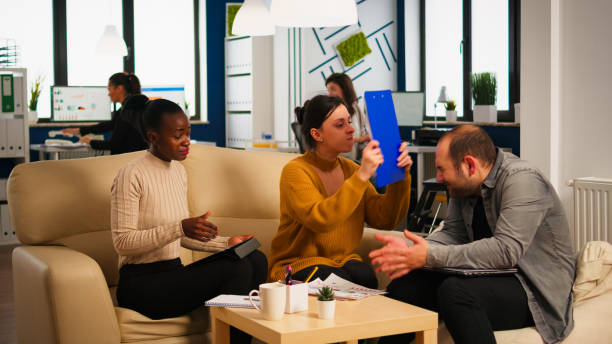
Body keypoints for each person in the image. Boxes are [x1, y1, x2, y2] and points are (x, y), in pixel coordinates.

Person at [371, 125, 575, 344]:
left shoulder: (522, 180)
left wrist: (428, 256)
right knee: (406, 285)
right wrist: (413, 252)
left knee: (456, 292)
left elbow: (506, 251)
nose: (438, 177)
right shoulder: (464, 186)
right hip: (491, 274)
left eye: (441, 169)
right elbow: (453, 233)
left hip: (534, 288)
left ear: (469, 164)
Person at [111, 99, 267, 344]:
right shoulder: (131, 174)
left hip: (173, 273)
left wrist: (227, 243)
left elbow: (181, 236)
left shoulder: (178, 172)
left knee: (253, 257)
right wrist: (179, 226)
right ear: (153, 137)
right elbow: (123, 243)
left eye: (188, 133)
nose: (186, 141)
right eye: (177, 135)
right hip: (140, 285)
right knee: (236, 267)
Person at [267, 95, 413, 289]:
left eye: (350, 122)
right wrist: (362, 176)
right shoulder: (296, 171)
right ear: (317, 135)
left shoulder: (350, 169)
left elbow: (385, 219)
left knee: (365, 277)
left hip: (343, 261)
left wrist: (399, 177)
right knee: (335, 280)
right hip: (299, 264)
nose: (351, 129)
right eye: (340, 125)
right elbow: (321, 219)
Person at [61, 72, 148, 155]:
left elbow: (114, 144)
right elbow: (110, 125)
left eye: (109, 90)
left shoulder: (128, 111)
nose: (109, 94)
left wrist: (90, 142)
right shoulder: (129, 108)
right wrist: (79, 131)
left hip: (127, 160)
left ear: (119, 88)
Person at [326, 73, 370, 161]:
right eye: (328, 90)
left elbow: (361, 132)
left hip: (354, 157)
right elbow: (335, 139)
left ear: (344, 89)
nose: (329, 94)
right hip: (340, 159)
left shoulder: (355, 107)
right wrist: (361, 139)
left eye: (333, 89)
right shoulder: (331, 111)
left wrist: (366, 138)